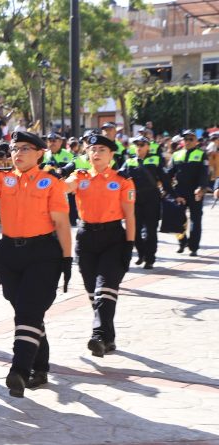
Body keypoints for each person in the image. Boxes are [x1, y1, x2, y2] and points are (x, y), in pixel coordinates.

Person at [0, 131, 72, 397]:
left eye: (25, 149)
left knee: (28, 312)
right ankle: (40, 367)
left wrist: (67, 259)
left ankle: (19, 370)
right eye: (15, 148)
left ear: (40, 153)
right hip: (9, 255)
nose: (18, 153)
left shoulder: (49, 181)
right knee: (27, 311)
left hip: (43, 253)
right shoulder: (4, 176)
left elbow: (62, 224)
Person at [63, 134, 135, 358]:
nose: (96, 154)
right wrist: (59, 176)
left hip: (113, 237)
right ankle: (108, 338)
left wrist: (130, 244)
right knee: (93, 292)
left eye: (102, 150)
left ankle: (98, 335)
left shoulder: (123, 180)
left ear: (112, 154)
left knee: (105, 288)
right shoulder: (80, 176)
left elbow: (130, 215)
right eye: (92, 149)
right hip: (86, 237)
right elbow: (65, 187)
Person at [120, 136, 174, 269]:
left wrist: (174, 195)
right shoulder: (129, 161)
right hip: (135, 200)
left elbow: (164, 178)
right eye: (137, 145)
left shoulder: (155, 159)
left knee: (151, 231)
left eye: (142, 144)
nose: (139, 147)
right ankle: (141, 253)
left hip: (152, 199)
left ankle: (150, 258)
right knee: (135, 230)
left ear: (148, 146)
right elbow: (119, 176)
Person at [168, 130, 211, 256]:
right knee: (176, 218)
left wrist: (201, 188)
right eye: (185, 139)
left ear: (196, 141)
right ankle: (182, 241)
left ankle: (193, 247)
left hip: (195, 191)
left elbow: (204, 173)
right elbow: (170, 173)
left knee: (195, 220)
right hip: (180, 191)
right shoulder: (176, 155)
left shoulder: (202, 154)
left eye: (191, 139)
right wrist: (164, 185)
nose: (187, 141)